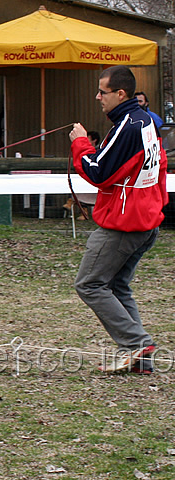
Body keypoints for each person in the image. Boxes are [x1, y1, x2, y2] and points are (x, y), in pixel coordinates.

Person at [68, 65, 168, 374]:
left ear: (120, 93)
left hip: (125, 223)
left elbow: (99, 172)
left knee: (90, 284)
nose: (98, 97)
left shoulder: (129, 126)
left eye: (102, 91)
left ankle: (136, 344)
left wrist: (80, 142)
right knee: (118, 286)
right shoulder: (146, 123)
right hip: (146, 219)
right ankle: (140, 359)